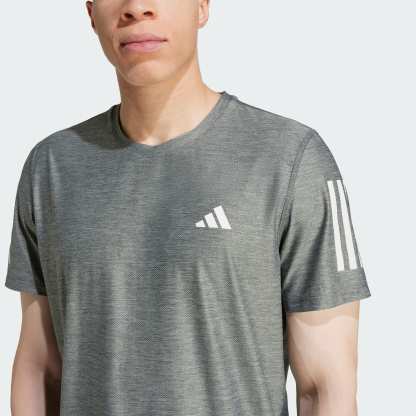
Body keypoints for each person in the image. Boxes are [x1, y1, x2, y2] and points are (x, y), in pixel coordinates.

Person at [4, 1, 371, 415]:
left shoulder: (291, 159)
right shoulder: (51, 167)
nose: (136, 7)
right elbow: (41, 368)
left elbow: (325, 387)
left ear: (201, 6)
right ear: (91, 11)